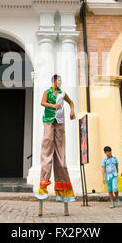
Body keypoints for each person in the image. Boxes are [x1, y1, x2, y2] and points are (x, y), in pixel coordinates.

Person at [35, 74, 75, 216]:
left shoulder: (63, 93)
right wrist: (53, 105)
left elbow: (71, 102)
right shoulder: (47, 92)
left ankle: (63, 190)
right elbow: (42, 102)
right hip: (48, 119)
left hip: (60, 122)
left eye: (61, 81)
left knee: (60, 156)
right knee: (47, 147)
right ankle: (43, 184)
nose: (60, 82)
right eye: (58, 80)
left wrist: (72, 111)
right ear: (53, 81)